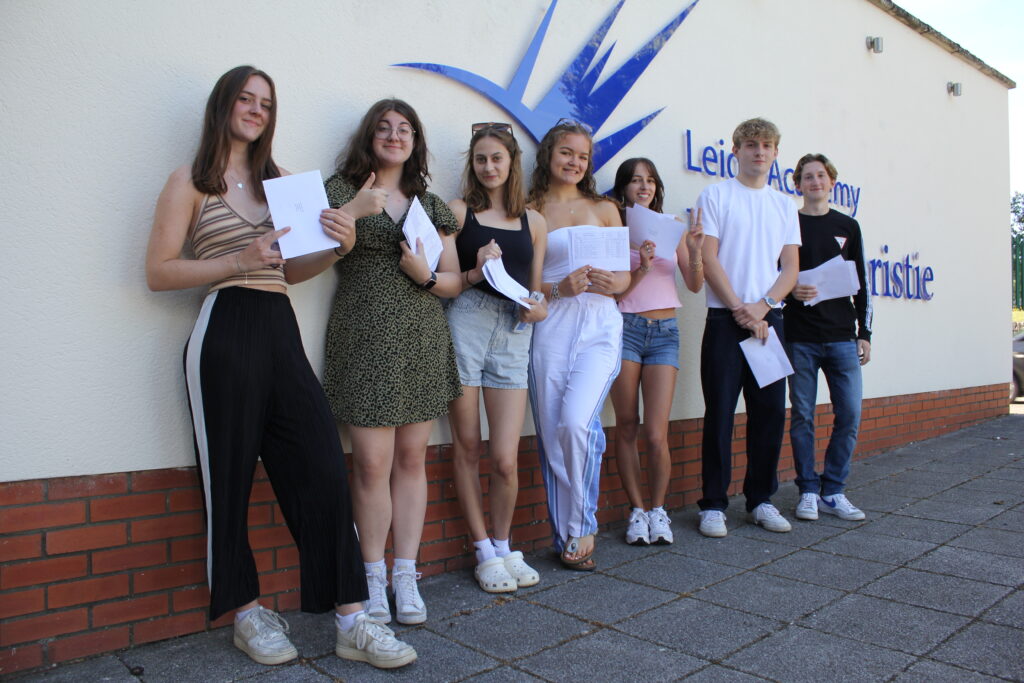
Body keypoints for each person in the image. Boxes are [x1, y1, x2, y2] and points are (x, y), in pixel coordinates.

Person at [145, 66, 415, 669]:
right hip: (224, 327)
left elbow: (295, 270)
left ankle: (351, 617)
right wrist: (237, 258)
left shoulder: (285, 184)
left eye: (266, 103)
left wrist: (340, 243)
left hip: (279, 327)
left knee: (321, 466)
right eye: (245, 98)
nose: (256, 110)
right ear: (224, 106)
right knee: (231, 477)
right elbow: (159, 271)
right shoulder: (190, 183)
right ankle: (245, 612)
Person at [287, 98, 461, 626]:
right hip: (364, 340)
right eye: (384, 127)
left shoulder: (430, 205)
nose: (394, 135)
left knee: (411, 462)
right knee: (369, 465)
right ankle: (371, 578)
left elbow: (452, 282)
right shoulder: (339, 193)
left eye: (404, 128)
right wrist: (356, 217)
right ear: (369, 136)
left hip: (421, 340)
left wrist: (424, 275)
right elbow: (300, 266)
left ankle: (406, 575)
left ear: (415, 142)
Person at [446, 122, 548, 593]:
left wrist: (540, 305)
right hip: (466, 322)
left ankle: (505, 543)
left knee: (505, 458)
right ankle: (483, 549)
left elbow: (537, 287)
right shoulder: (458, 212)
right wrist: (475, 267)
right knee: (467, 447)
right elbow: (443, 277)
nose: (489, 167)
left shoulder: (535, 221)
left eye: (497, 159)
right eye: (481, 159)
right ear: (473, 164)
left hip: (513, 330)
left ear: (512, 164)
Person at [527, 119, 631, 570]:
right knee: (553, 435)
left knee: (576, 423)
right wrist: (556, 287)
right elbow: (524, 286)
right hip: (551, 325)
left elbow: (624, 278)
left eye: (582, 156)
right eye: (566, 152)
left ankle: (584, 522)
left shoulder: (605, 208)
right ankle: (566, 534)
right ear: (549, 153)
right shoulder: (529, 209)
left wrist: (615, 282)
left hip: (599, 326)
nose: (574, 162)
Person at [695, 117, 801, 538]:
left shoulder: (783, 205)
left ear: (776, 154)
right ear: (736, 150)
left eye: (768, 145)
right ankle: (713, 505)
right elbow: (709, 257)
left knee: (770, 413)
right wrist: (740, 307)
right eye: (751, 144)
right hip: (725, 320)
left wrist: (764, 306)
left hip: (768, 322)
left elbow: (790, 267)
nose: (760, 151)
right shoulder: (716, 195)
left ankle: (760, 500)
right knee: (719, 413)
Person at [607, 158, 704, 545]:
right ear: (624, 188)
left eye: (649, 180)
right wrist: (642, 268)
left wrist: (694, 251)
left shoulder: (670, 229)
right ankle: (637, 512)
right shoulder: (615, 227)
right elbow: (615, 293)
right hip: (626, 329)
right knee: (627, 424)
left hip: (665, 331)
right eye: (635, 181)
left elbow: (695, 285)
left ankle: (658, 510)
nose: (643, 187)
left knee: (655, 432)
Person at [785, 153, 872, 522]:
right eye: (807, 176)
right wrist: (791, 292)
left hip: (841, 337)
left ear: (831, 182)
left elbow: (862, 286)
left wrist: (864, 334)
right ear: (798, 184)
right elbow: (774, 272)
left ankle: (833, 491)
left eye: (821, 176)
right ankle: (807, 489)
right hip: (799, 336)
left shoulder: (848, 226)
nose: (815, 182)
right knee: (803, 415)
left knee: (849, 413)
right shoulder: (787, 222)